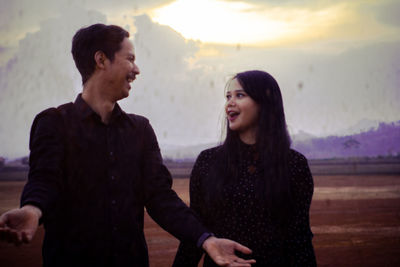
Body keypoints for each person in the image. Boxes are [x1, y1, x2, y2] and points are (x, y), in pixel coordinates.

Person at [0, 24, 256, 267]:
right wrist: (32, 210)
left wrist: (206, 240)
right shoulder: (54, 123)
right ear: (101, 60)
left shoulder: (140, 130)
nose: (136, 69)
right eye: (130, 59)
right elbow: (44, 181)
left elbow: (161, 198)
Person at [173, 70, 317, 266]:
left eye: (240, 95)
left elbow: (299, 240)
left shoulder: (294, 165)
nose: (230, 103)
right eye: (228, 97)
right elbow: (196, 234)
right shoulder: (208, 162)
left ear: (264, 103)